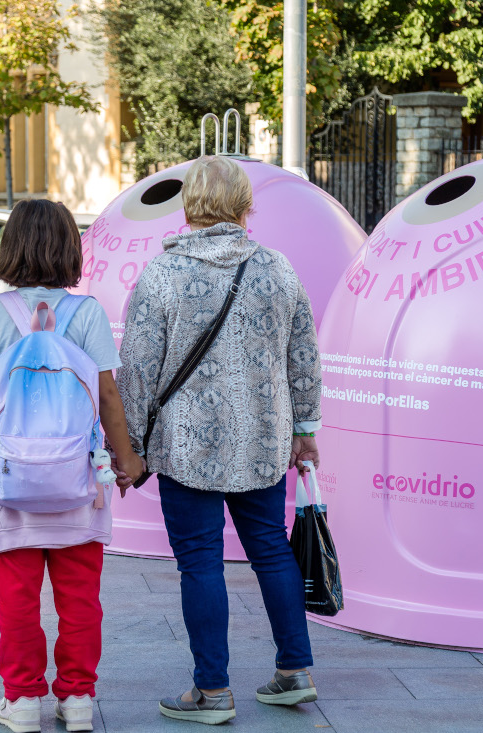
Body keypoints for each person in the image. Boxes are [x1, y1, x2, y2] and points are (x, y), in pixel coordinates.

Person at [116, 156, 323, 725]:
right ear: (244, 205)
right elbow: (303, 354)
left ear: (188, 206)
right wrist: (305, 429)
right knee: (272, 550)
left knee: (199, 563)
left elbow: (137, 369)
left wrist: (129, 448)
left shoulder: (163, 275)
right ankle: (294, 671)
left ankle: (211, 692)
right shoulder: (276, 269)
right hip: (262, 440)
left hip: (188, 447)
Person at [0, 199, 145, 733]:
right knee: (80, 597)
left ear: (11, 247)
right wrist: (125, 459)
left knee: (15, 600)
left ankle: (21, 703)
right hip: (78, 479)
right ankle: (78, 698)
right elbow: (108, 395)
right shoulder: (87, 314)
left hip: (10, 484)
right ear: (70, 249)